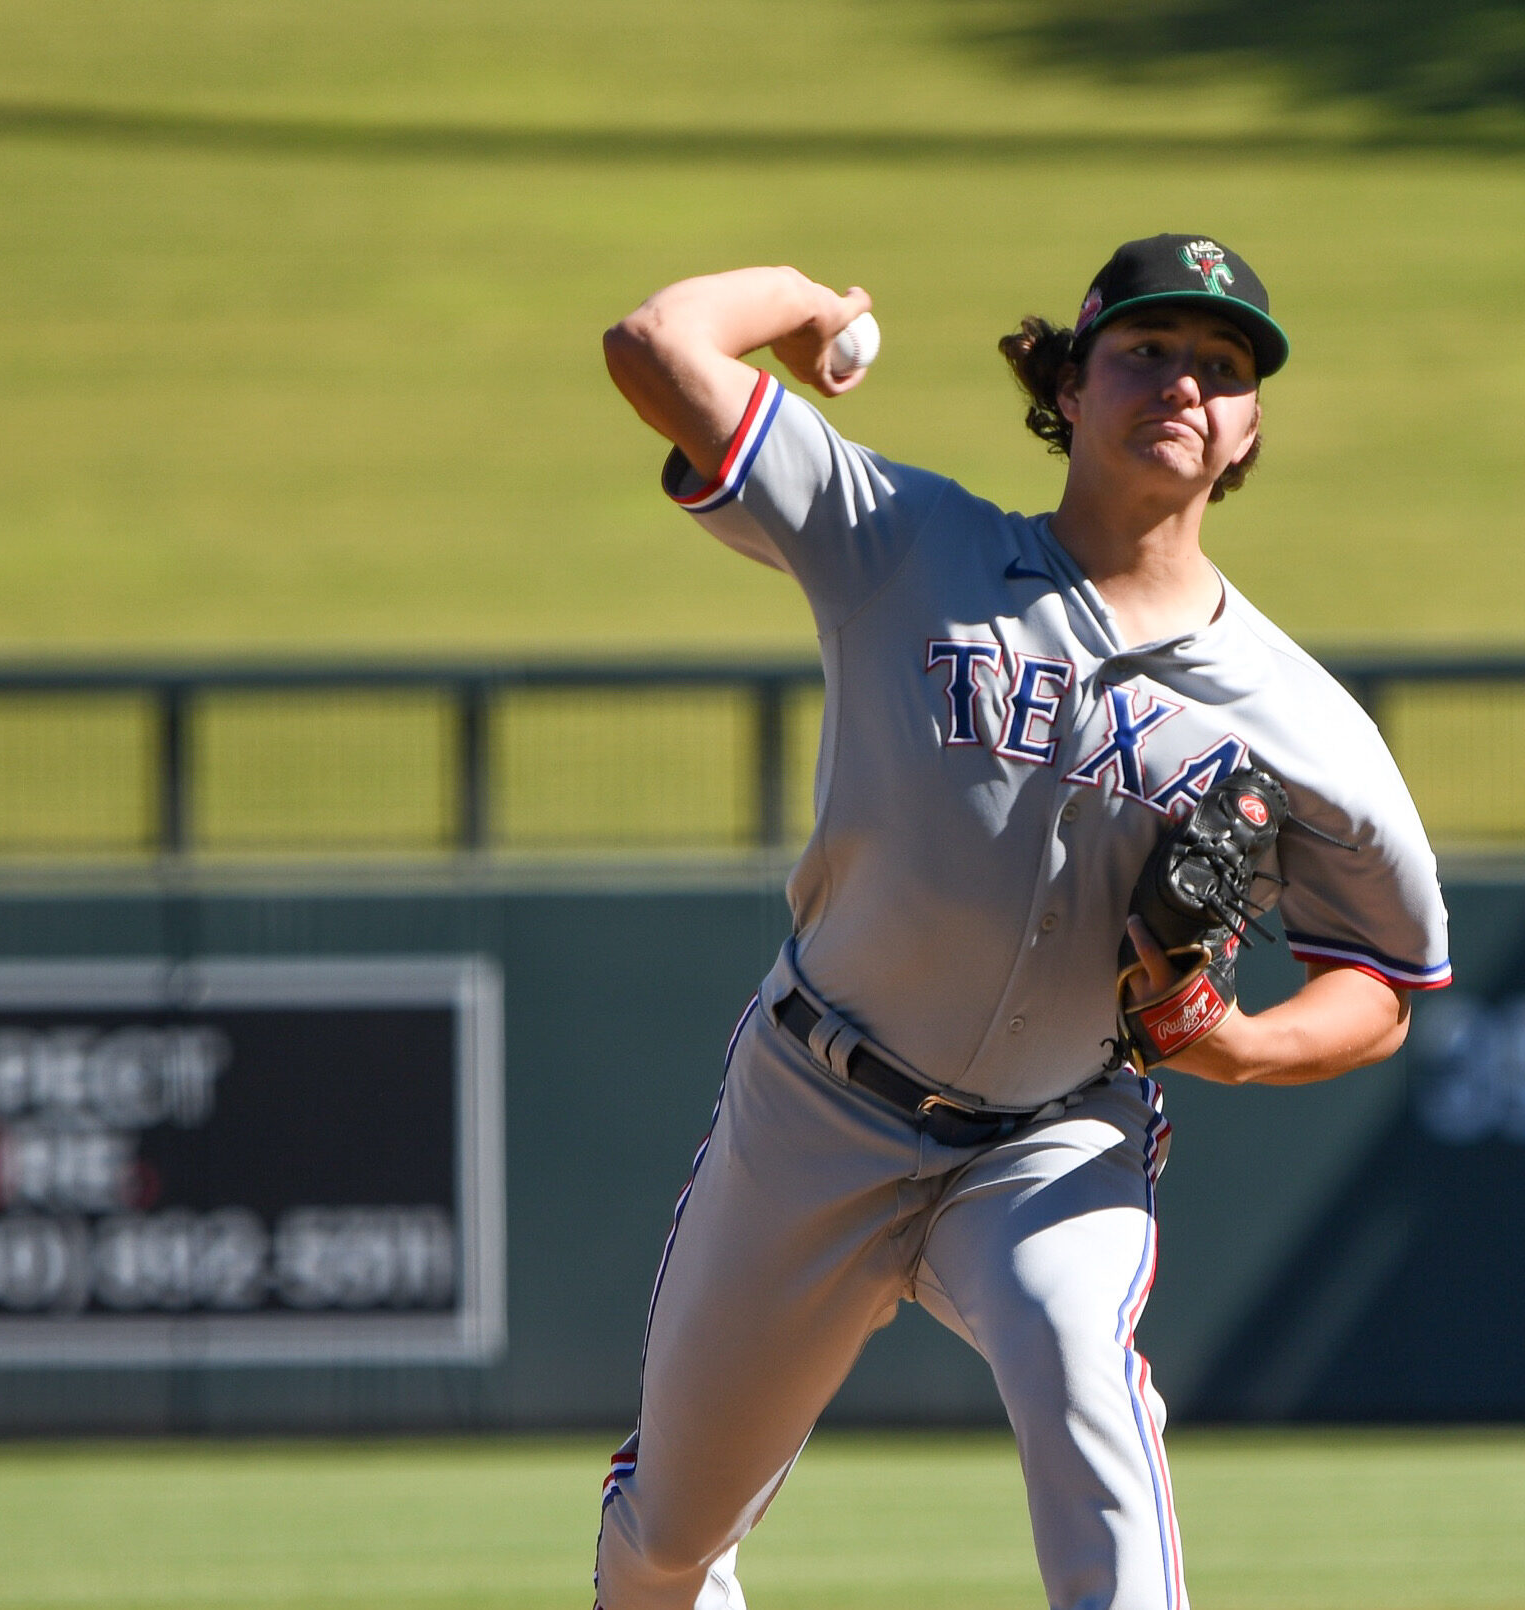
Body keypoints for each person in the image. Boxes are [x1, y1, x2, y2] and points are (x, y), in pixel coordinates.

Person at [593, 234, 1450, 1610]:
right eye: (1146, 351)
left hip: (1053, 1136)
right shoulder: (905, 542)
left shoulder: (1304, 723)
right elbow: (656, 348)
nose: (1182, 382)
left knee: (1088, 1392)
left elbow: (1382, 977)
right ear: (1071, 380)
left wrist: (1232, 1043)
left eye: (1220, 367)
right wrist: (810, 305)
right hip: (817, 1107)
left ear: (1245, 431)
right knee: (668, 1538)